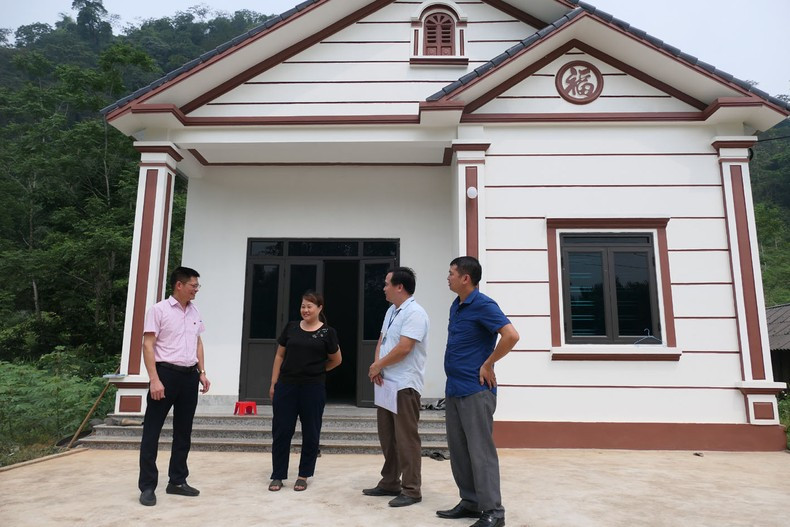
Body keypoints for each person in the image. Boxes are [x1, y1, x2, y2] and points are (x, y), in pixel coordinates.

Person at [437, 256, 519, 527]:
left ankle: (494, 512)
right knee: (459, 450)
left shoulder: (483, 304)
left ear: (465, 278)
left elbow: (511, 335)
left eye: (451, 273)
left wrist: (489, 363)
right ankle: (471, 501)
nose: (447, 277)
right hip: (455, 388)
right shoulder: (456, 306)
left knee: (480, 451)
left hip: (475, 389)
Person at [138, 266, 211, 507]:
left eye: (197, 286)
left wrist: (202, 372)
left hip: (189, 376)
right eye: (193, 286)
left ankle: (177, 480)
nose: (196, 290)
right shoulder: (158, 310)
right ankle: (148, 486)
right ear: (179, 285)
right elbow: (148, 345)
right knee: (152, 431)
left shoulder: (194, 310)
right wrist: (154, 379)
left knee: (184, 431)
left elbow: (197, 342)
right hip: (165, 375)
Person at [362, 267, 430, 507]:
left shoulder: (415, 313)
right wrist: (377, 366)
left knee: (406, 438)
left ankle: (411, 489)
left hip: (405, 384)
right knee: (387, 435)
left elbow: (404, 348)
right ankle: (390, 481)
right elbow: (383, 339)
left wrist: (378, 365)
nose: (383, 287)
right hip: (387, 382)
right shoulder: (392, 311)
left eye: (387, 283)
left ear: (399, 286)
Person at [268, 291, 342, 492]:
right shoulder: (291, 327)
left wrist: (318, 370)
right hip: (286, 386)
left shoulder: (328, 332)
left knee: (310, 431)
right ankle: (277, 475)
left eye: (310, 306)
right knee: (282, 431)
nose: (305, 310)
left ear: (319, 308)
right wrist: (274, 382)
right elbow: (279, 356)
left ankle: (303, 475)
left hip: (312, 388)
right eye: (303, 306)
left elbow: (337, 360)